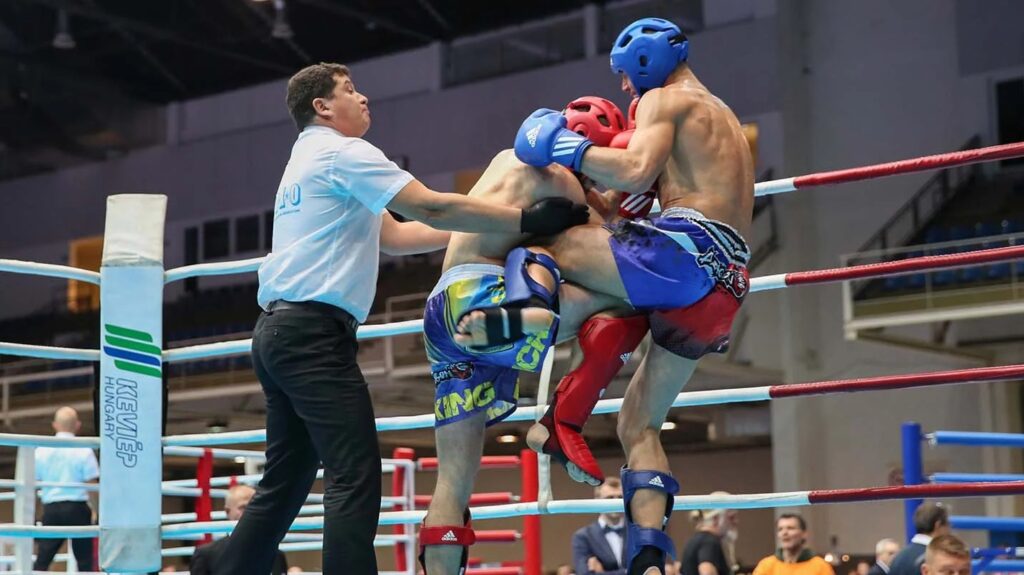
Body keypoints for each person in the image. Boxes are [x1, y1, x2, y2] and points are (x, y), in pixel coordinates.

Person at [216, 63, 588, 575]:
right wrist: (523, 219)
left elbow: (396, 235)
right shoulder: (343, 152)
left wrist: (486, 230)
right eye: (350, 91)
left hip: (279, 334)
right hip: (310, 337)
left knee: (287, 480)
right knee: (355, 473)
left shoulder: (307, 157)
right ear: (322, 107)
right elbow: (431, 209)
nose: (364, 98)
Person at [490, 16, 753, 573]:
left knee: (548, 240)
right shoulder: (720, 115)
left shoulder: (667, 99)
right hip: (726, 282)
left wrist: (566, 146)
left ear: (643, 63)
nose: (625, 90)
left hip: (685, 252)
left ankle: (516, 336)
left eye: (624, 77)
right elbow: (631, 203)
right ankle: (650, 555)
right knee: (639, 423)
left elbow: (635, 171)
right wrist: (594, 185)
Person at [418, 97, 641, 574]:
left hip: (442, 312)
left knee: (452, 483)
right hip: (487, 295)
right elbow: (618, 252)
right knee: (628, 298)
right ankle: (560, 405)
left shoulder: (504, 162)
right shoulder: (566, 185)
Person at [33, 407, 99, 572]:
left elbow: (33, 484)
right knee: (85, 562)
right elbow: (92, 483)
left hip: (52, 509)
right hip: (78, 508)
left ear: (55, 425)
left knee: (42, 561)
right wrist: (98, 511)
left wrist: (33, 515)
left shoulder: (41, 451)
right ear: (77, 425)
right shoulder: (84, 449)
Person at [192, 484, 287, 574]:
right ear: (227, 511)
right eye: (244, 507)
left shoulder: (276, 555)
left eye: (255, 507)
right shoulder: (206, 555)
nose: (251, 511)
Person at [572, 478, 628, 575]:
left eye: (620, 497)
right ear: (597, 501)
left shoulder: (638, 532)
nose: (615, 502)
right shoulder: (583, 536)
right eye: (610, 498)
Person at [752, 514, 834, 575]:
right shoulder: (766, 565)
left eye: (790, 528)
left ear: (804, 533)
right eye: (780, 529)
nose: (784, 533)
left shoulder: (820, 566)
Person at [887, 504, 949, 575]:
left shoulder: (898, 558)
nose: (949, 530)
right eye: (948, 525)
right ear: (937, 525)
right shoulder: (935, 558)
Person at [681, 498, 737, 575]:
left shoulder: (695, 540)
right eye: (731, 517)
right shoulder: (709, 541)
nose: (735, 522)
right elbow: (707, 571)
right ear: (716, 519)